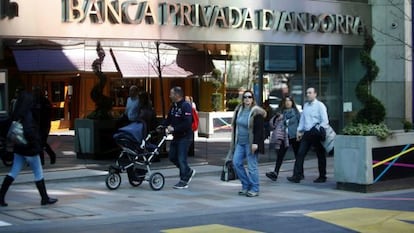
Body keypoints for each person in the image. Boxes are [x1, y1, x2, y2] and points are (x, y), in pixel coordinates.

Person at [0, 88, 58, 206]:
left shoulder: (17, 113)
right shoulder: (28, 114)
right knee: (38, 172)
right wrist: (37, 146)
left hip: (19, 148)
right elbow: (30, 132)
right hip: (29, 149)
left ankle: (1, 197)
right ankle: (44, 198)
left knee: (14, 171)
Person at [287, 87, 329, 183]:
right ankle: (297, 175)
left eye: (310, 93)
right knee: (300, 153)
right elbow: (302, 120)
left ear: (315, 94)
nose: (308, 95)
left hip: (316, 132)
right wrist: (299, 130)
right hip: (307, 133)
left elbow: (325, 120)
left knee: (320, 154)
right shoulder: (305, 106)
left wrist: (320, 130)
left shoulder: (320, 106)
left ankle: (322, 176)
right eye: (307, 93)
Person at [230, 90, 266, 197]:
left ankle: (255, 188)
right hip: (240, 142)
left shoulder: (256, 112)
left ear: (253, 99)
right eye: (245, 97)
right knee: (236, 163)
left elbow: (259, 130)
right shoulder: (239, 110)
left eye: (249, 97)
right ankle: (246, 185)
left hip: (250, 143)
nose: (247, 99)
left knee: (252, 167)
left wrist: (255, 143)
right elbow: (235, 126)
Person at [161, 86, 195, 189]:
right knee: (172, 157)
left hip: (185, 136)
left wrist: (174, 128)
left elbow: (187, 123)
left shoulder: (186, 106)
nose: (169, 95)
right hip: (176, 136)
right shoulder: (173, 106)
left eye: (171, 93)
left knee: (181, 158)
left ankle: (183, 180)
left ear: (177, 95)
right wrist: (162, 125)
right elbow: (169, 119)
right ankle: (188, 171)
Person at [266, 96, 301, 181]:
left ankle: (299, 174)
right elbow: (274, 123)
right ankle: (275, 173)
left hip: (294, 136)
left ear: (292, 102)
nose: (288, 102)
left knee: (298, 155)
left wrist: (300, 133)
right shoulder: (281, 113)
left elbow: (301, 123)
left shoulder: (296, 113)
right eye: (286, 101)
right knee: (280, 154)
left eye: (289, 101)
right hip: (284, 136)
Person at [32, 86, 56, 165]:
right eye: (34, 91)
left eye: (36, 91)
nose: (34, 93)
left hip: (44, 125)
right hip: (37, 126)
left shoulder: (45, 101)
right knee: (40, 143)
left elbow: (48, 114)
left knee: (41, 142)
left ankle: (49, 157)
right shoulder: (34, 101)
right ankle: (45, 158)